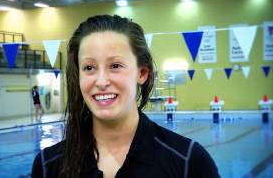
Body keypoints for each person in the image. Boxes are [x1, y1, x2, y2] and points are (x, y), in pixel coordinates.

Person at [32, 15, 219, 178]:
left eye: (115, 66)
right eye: (89, 68)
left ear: (142, 73)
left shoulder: (187, 161)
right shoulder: (48, 165)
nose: (101, 81)